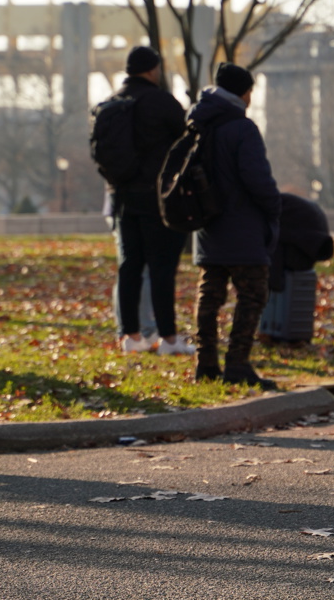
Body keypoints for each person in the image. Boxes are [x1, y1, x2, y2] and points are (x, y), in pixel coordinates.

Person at [187, 63, 282, 388]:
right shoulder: (242, 128)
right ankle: (237, 364)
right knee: (252, 294)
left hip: (207, 225)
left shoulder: (198, 122)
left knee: (209, 295)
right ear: (243, 93)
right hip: (243, 228)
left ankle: (205, 364)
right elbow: (257, 179)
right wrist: (274, 207)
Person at [107, 45, 192, 355]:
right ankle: (168, 338)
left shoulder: (111, 105)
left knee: (129, 265)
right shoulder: (162, 102)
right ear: (153, 70)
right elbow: (188, 141)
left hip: (121, 196)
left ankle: (130, 336)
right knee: (161, 268)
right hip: (157, 198)